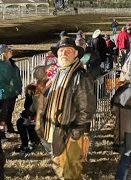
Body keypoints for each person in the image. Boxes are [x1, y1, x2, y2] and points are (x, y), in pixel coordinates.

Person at [44, 37, 96, 179]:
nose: (64, 54)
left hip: (70, 133)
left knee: (71, 172)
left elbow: (87, 108)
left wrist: (75, 133)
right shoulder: (60, 72)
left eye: (68, 51)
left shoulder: (80, 76)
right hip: (57, 131)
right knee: (59, 167)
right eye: (61, 51)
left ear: (76, 54)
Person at [0, 44, 22, 134]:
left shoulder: (11, 63)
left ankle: (9, 128)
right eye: (9, 50)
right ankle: (0, 132)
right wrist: (10, 86)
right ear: (4, 53)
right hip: (3, 94)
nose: (11, 51)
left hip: (11, 92)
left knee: (9, 112)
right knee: (2, 114)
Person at [15, 84, 41, 155]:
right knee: (21, 122)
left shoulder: (33, 99)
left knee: (20, 123)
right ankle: (29, 142)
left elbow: (32, 110)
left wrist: (28, 114)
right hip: (33, 118)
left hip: (35, 119)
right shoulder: (36, 98)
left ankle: (26, 145)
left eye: (26, 92)